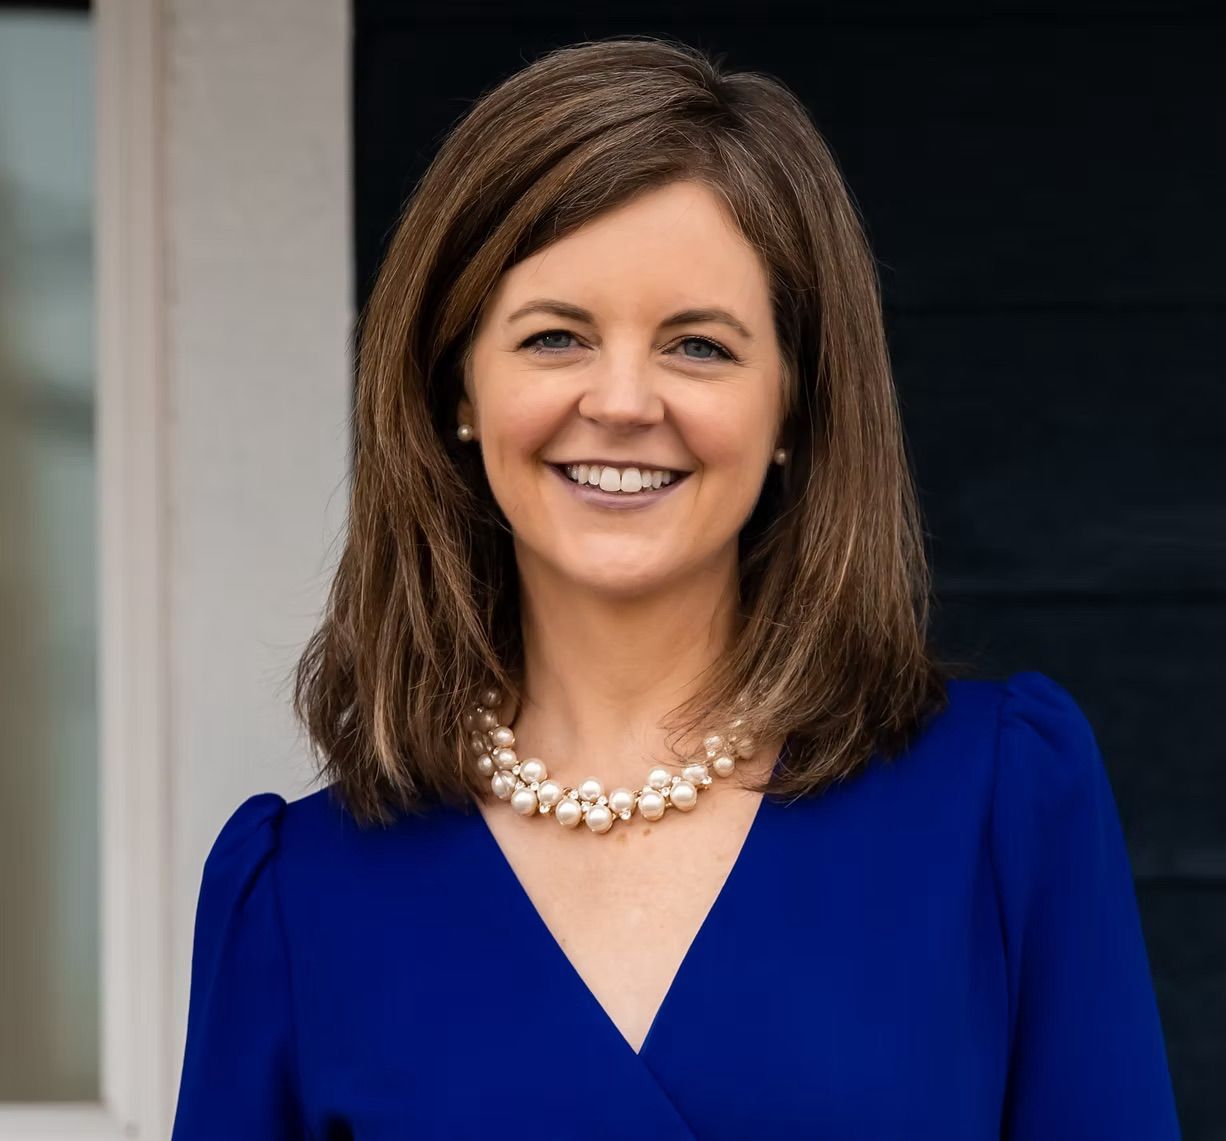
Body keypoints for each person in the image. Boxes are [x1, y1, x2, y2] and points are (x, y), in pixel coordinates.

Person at [170, 35, 1181, 1140]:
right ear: (455, 387)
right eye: (554, 336)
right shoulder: (297, 896)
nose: (620, 399)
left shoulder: (997, 801)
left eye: (696, 347)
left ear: (791, 406)